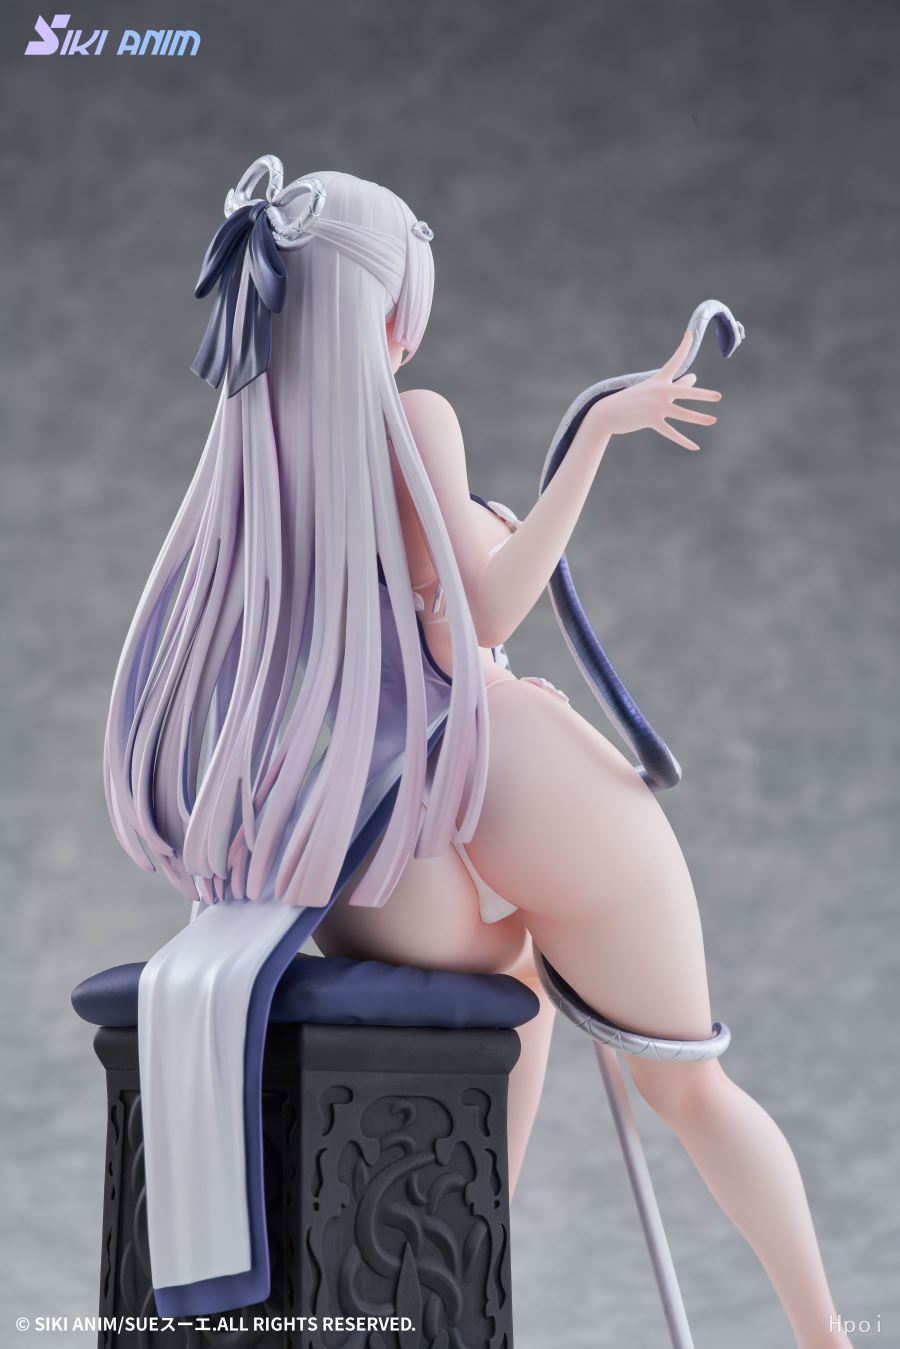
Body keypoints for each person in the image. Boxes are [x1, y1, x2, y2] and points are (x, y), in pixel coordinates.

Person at [105, 161, 851, 1345]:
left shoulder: (260, 452)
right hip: (496, 760)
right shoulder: (414, 418)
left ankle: (457, 1302)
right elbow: (481, 614)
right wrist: (591, 442)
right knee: (686, 1075)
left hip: (361, 840)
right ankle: (825, 1337)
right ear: (386, 307)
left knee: (511, 1008)